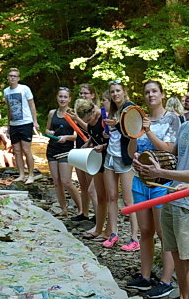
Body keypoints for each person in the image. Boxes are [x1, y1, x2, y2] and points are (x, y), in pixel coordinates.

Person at [134, 78, 189, 299]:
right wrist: (147, 162)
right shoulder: (185, 125)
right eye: (188, 91)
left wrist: (159, 173)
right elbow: (173, 154)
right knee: (176, 253)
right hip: (172, 195)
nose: (187, 95)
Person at [125, 80, 179, 292]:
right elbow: (131, 152)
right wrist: (134, 134)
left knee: (163, 232)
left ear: (162, 94)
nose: (150, 95)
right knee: (145, 231)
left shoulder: (172, 119)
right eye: (147, 92)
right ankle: (145, 276)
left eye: (154, 91)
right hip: (140, 181)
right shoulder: (140, 119)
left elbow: (170, 149)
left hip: (161, 183)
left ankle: (166, 280)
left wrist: (148, 131)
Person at [101, 81, 140, 251]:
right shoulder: (112, 109)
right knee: (111, 196)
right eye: (112, 92)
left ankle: (134, 238)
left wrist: (115, 125)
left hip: (125, 159)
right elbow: (115, 134)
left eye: (118, 91)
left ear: (124, 91)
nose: (115, 94)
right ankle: (113, 233)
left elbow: (132, 131)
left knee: (128, 200)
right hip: (110, 156)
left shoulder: (130, 108)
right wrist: (107, 134)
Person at [45, 87, 82, 218]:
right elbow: (47, 129)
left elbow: (77, 135)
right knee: (56, 182)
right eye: (60, 96)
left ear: (69, 99)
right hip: (52, 149)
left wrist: (66, 137)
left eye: (65, 97)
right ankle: (63, 209)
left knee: (66, 181)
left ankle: (81, 209)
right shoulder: (52, 113)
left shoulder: (72, 114)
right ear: (57, 97)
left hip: (66, 150)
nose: (62, 99)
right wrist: (49, 132)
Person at [3, 68, 39, 184]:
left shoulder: (24, 89)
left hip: (26, 122)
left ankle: (31, 175)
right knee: (17, 151)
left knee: (26, 150)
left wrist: (35, 121)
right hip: (14, 124)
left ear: (18, 78)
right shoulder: (6, 91)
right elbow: (9, 109)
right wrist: (8, 125)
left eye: (15, 76)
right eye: (10, 76)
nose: (12, 78)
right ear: (8, 78)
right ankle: (21, 174)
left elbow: (32, 105)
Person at [69, 84, 98, 222]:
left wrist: (77, 119)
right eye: (81, 93)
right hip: (80, 145)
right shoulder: (78, 110)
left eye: (86, 93)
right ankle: (84, 212)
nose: (83, 96)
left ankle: (98, 214)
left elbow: (90, 129)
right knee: (83, 184)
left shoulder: (95, 111)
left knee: (92, 183)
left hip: (92, 147)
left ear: (92, 95)